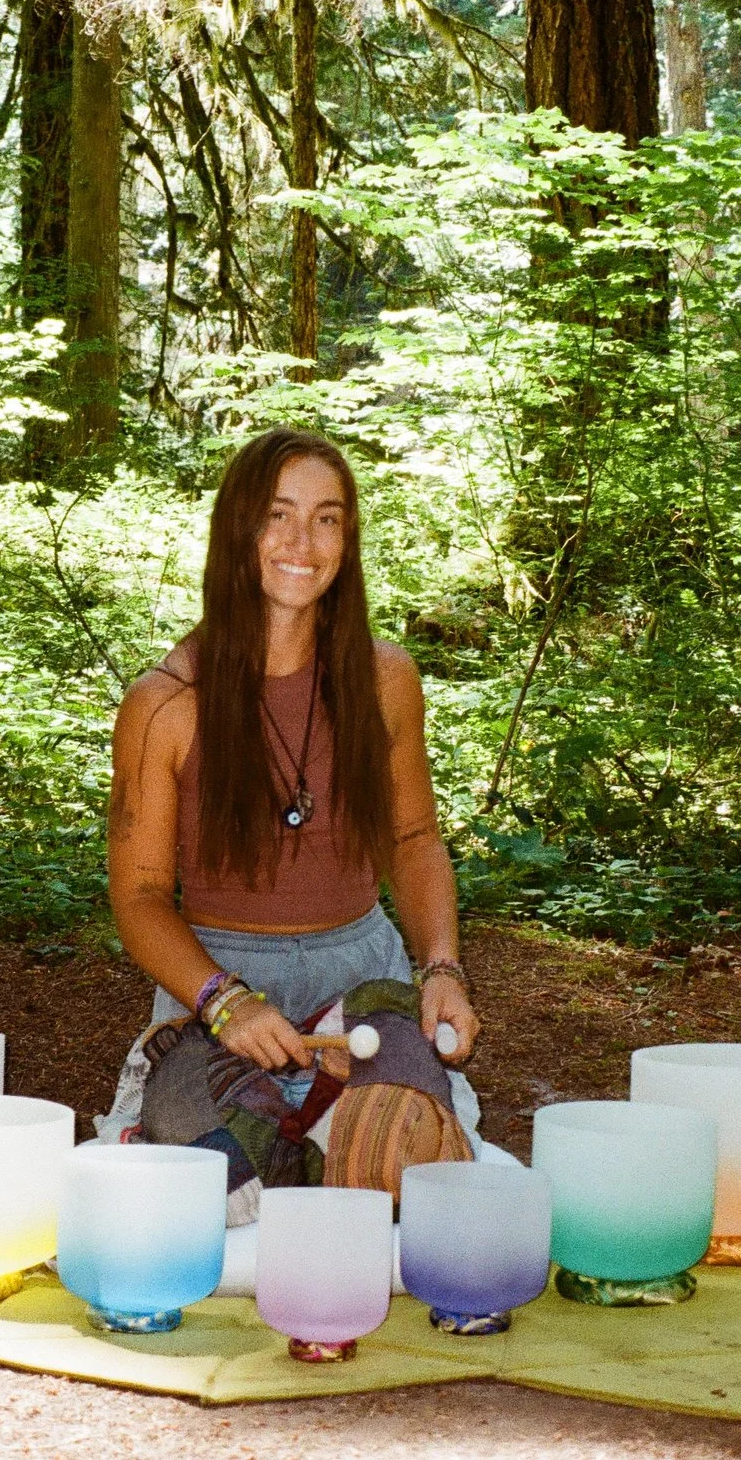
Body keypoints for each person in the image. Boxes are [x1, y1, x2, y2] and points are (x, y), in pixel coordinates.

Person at [99, 428, 485, 1204]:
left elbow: (414, 840)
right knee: (216, 1175)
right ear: (237, 528)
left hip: (364, 977)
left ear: (348, 538)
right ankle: (300, 1141)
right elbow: (138, 897)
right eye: (278, 514)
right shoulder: (164, 705)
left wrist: (441, 965)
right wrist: (223, 999)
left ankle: (336, 1137)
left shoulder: (385, 679)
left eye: (327, 518)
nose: (301, 541)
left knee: (407, 1162)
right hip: (216, 982)